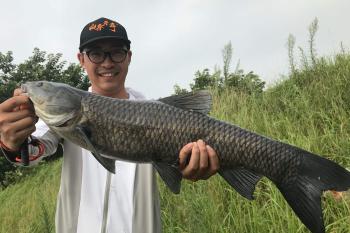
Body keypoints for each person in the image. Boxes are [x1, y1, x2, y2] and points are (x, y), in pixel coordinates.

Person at [0, 17, 219, 233]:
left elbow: (177, 165)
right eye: (95, 53)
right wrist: (13, 143)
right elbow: (32, 151)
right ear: (81, 59)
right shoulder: (64, 113)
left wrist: (191, 166)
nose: (107, 62)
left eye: (116, 52)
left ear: (128, 57)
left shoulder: (157, 113)